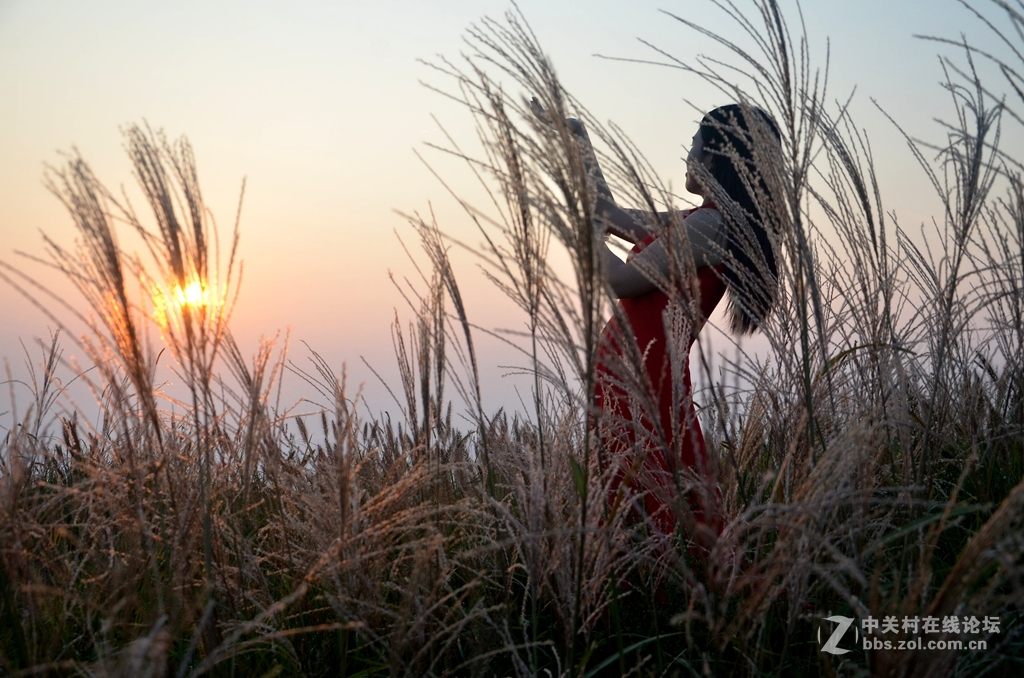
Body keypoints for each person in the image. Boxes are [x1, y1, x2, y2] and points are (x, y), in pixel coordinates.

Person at [577, 104, 784, 543]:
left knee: (659, 492)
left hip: (646, 377)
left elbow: (622, 281)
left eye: (694, 142)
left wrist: (582, 232)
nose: (687, 152)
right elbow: (607, 211)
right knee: (651, 489)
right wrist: (577, 140)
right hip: (636, 372)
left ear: (714, 156)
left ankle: (678, 594)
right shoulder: (701, 218)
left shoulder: (711, 225)